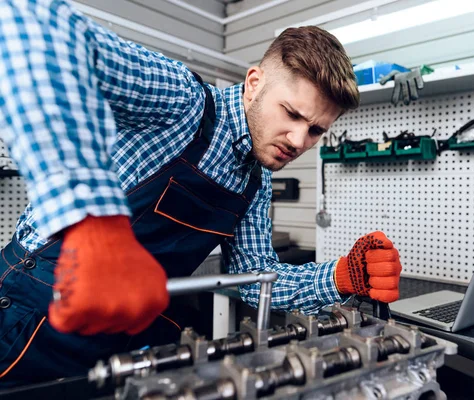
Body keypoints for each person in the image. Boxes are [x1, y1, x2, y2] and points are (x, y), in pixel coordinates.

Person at [0, 0, 402, 387]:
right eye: (292, 114)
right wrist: (95, 226)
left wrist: (341, 276)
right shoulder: (181, 101)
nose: (299, 140)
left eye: (315, 130)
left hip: (120, 334)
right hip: (31, 314)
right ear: (254, 83)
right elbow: (32, 25)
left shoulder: (254, 180)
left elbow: (254, 278)